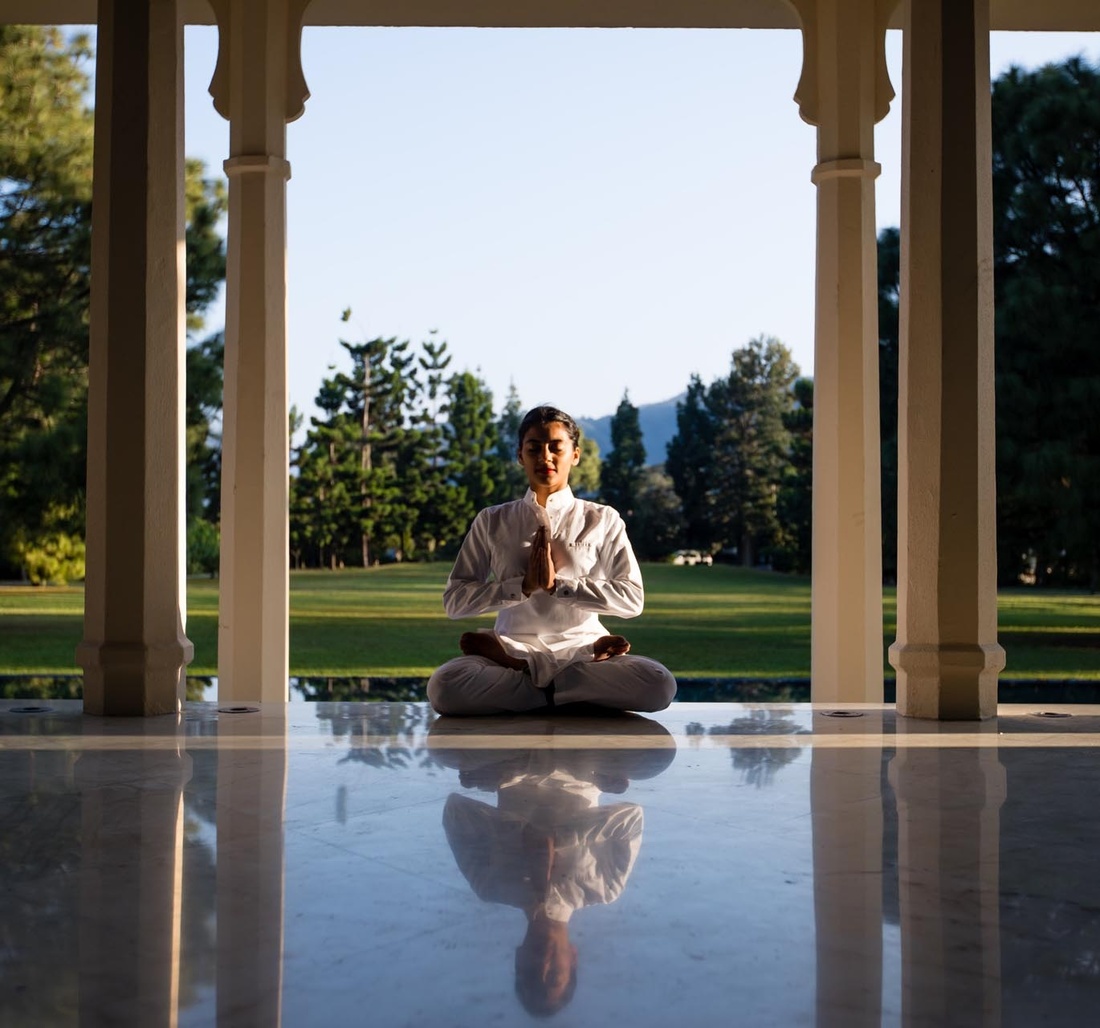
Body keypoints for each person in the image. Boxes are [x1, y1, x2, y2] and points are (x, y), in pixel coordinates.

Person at [427, 404, 677, 715]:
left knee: (658, 684)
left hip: (584, 650)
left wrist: (559, 586)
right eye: (534, 448)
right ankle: (563, 689)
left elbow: (631, 599)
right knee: (444, 687)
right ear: (521, 456)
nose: (545, 457)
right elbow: (455, 601)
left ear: (575, 454)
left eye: (556, 447)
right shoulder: (493, 520)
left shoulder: (602, 519)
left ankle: (532, 680)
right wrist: (523, 586)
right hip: (512, 646)